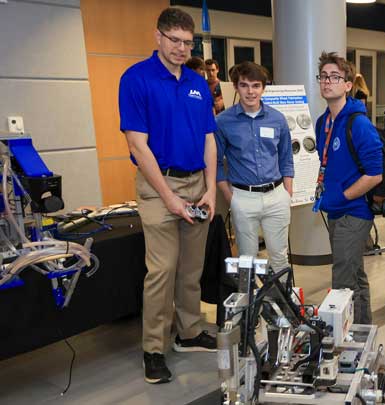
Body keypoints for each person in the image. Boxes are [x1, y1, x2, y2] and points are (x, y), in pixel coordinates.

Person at [119, 7, 217, 384]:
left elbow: (209, 139)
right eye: (174, 40)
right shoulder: (136, 79)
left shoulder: (196, 82)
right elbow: (137, 145)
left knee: (191, 268)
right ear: (157, 36)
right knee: (162, 270)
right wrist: (169, 198)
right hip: (159, 186)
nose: (180, 48)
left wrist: (209, 189)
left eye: (187, 42)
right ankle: (154, 348)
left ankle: (189, 332)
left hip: (197, 184)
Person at [314, 52, 383, 325]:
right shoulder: (323, 122)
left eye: (334, 77)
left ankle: (342, 342)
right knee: (354, 274)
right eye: (323, 77)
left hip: (354, 211)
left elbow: (374, 175)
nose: (327, 82)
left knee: (341, 279)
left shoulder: (359, 123)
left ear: (347, 85)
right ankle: (362, 329)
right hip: (335, 210)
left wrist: (340, 197)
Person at [214, 61, 294, 272]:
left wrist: (287, 193)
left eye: (256, 85)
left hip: (277, 195)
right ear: (236, 87)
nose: (251, 91)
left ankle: (281, 304)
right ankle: (249, 304)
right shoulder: (223, 121)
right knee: (247, 261)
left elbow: (286, 157)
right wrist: (230, 197)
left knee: (279, 258)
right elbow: (214, 163)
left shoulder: (277, 118)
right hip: (243, 198)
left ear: (263, 88)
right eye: (244, 85)